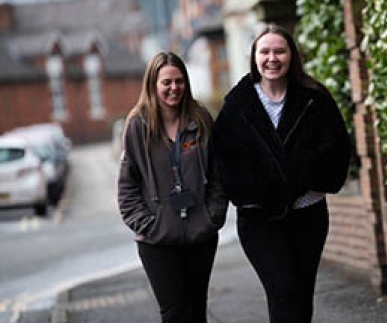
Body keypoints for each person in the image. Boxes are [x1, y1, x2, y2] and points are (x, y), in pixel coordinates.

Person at [212, 24, 351, 323]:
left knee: (301, 294)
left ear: (291, 56)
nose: (272, 58)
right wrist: (265, 188)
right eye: (265, 51)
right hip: (259, 220)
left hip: (308, 214)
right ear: (254, 57)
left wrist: (296, 176)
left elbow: (336, 152)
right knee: (283, 290)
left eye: (279, 51)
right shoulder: (237, 105)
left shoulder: (315, 98)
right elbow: (225, 162)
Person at [117, 51, 227, 323]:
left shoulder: (200, 119)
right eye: (166, 82)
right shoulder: (137, 126)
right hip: (157, 241)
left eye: (179, 81)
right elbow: (127, 186)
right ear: (153, 84)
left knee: (196, 309)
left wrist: (212, 216)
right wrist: (148, 224)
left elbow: (218, 173)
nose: (174, 88)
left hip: (200, 235)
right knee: (174, 313)